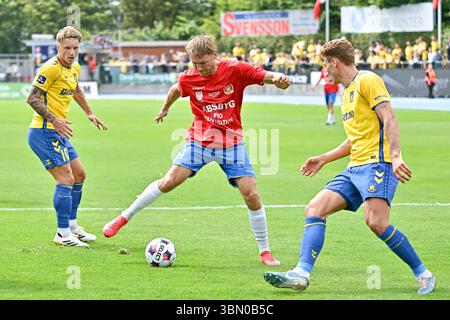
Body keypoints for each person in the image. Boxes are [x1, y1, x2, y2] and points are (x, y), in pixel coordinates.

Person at [264, 39, 436, 294]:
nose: (325, 70)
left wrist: (397, 156)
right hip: (355, 167)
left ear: (334, 61)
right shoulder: (346, 94)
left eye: (325, 64)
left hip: (378, 163)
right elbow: (353, 140)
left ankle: (423, 274)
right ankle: (301, 273)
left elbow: (388, 117)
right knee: (314, 208)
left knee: (376, 222)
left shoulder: (367, 80)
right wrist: (324, 158)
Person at [103, 35, 291, 265]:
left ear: (214, 55)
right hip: (199, 141)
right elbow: (175, 89)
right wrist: (164, 109)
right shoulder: (189, 77)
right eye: (195, 63)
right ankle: (123, 217)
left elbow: (264, 75)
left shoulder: (235, 69)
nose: (199, 68)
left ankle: (265, 252)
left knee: (251, 194)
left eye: (203, 63)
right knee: (168, 182)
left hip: (231, 143)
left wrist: (279, 78)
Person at [26, 26, 108, 247]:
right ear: (58, 47)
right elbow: (32, 99)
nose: (71, 53)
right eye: (67, 48)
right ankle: (62, 234)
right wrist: (54, 119)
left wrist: (90, 113)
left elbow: (76, 90)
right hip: (43, 131)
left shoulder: (75, 68)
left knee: (79, 175)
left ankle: (72, 227)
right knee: (65, 179)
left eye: (75, 48)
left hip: (57, 131)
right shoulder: (49, 69)